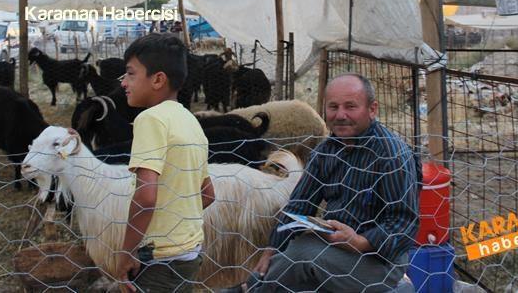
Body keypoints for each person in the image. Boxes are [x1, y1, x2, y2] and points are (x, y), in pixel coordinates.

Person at [221, 73, 422, 293]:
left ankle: (247, 289)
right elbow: (298, 205)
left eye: (350, 106)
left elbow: (404, 222)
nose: (340, 115)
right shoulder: (326, 151)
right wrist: (270, 249)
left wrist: (358, 241)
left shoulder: (391, 155)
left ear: (372, 109)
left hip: (378, 262)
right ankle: (252, 286)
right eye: (333, 107)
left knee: (304, 252)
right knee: (295, 252)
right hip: (335, 252)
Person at [117, 33, 216, 293]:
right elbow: (207, 194)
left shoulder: (150, 120)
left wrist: (126, 252)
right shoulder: (191, 122)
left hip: (158, 259)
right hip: (189, 253)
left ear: (158, 79)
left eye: (130, 74)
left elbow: (146, 197)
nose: (123, 82)